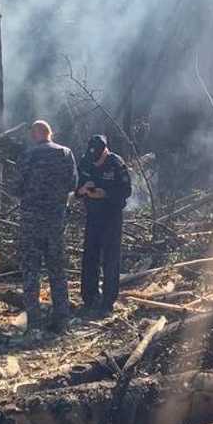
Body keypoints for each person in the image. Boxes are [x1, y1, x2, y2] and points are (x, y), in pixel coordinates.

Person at [17, 119, 76, 331]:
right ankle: (62, 319)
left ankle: (34, 321)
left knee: (31, 270)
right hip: (55, 221)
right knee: (57, 269)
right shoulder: (65, 153)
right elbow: (73, 184)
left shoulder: (28, 155)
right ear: (50, 133)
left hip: (31, 222)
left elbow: (17, 187)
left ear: (35, 134)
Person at [75, 134, 131, 317]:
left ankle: (108, 301)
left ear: (105, 151)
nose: (96, 161)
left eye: (99, 157)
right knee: (90, 256)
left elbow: (126, 190)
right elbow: (75, 187)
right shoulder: (85, 161)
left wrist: (105, 193)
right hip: (92, 216)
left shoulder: (116, 163)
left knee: (111, 260)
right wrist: (83, 190)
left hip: (111, 217)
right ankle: (89, 298)